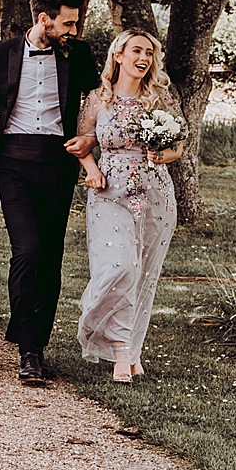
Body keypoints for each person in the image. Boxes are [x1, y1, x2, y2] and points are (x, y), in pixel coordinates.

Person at [0, 0, 99, 384]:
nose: (73, 30)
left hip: (57, 161)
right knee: (27, 249)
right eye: (67, 22)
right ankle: (26, 348)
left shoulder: (79, 55)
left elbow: (101, 99)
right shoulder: (1, 53)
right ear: (42, 19)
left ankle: (36, 344)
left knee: (50, 257)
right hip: (13, 161)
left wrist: (92, 137)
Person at [75, 29, 183, 383]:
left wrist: (162, 154)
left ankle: (130, 351)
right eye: (137, 50)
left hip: (155, 192)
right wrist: (91, 170)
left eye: (149, 53)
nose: (144, 58)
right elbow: (82, 144)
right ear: (118, 56)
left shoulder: (160, 99)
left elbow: (178, 147)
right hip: (110, 193)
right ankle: (114, 343)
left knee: (144, 275)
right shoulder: (97, 99)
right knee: (121, 267)